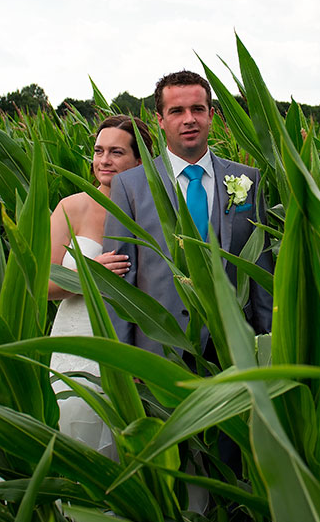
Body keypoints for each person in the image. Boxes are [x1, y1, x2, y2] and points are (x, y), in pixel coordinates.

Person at [102, 70, 274, 356]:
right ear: (160, 120)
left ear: (211, 115)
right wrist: (125, 360)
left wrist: (268, 348)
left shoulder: (248, 181)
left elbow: (261, 273)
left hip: (237, 348)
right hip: (161, 348)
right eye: (176, 111)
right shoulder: (129, 186)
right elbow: (120, 281)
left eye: (197, 109)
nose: (189, 119)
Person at [46, 114, 153, 459]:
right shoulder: (71, 207)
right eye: (99, 151)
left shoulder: (154, 212)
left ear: (140, 160)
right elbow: (41, 282)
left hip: (135, 345)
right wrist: (88, 276)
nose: (104, 160)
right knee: (73, 431)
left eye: (117, 152)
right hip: (77, 344)